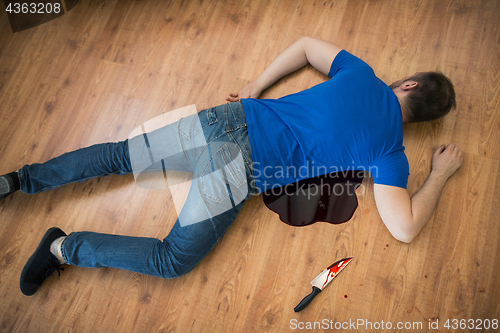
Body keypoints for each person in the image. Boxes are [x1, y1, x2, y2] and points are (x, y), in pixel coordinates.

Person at [0, 37, 462, 296]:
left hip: (229, 118)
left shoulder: (361, 72)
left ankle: (18, 180)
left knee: (121, 155)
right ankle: (62, 249)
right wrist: (438, 174)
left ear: (408, 82)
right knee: (171, 260)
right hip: (236, 172)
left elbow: (304, 46)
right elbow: (404, 228)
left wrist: (255, 85)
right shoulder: (390, 153)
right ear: (417, 121)